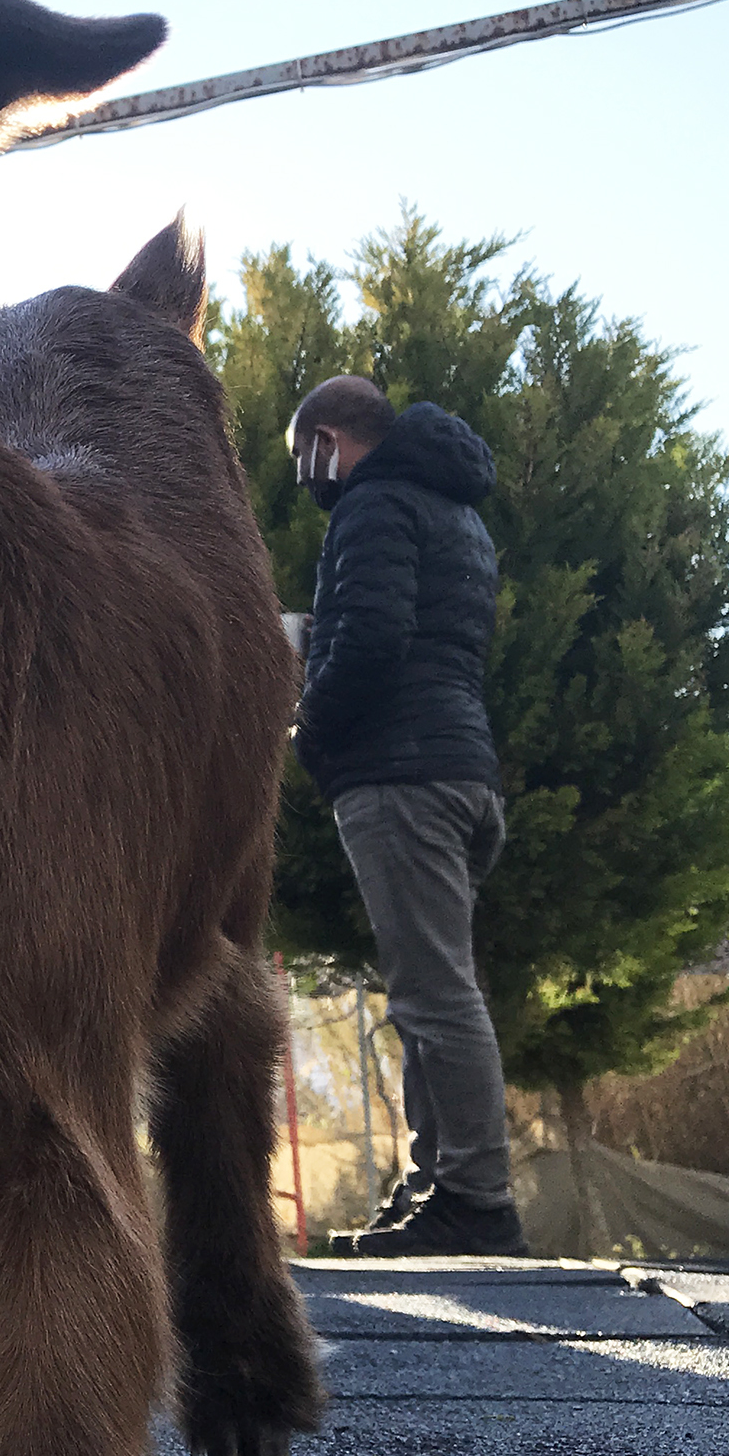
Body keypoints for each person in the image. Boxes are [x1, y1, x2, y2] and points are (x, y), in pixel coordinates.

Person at [289, 375, 529, 1258]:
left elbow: (376, 642)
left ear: (327, 438)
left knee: (435, 994)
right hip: (459, 769)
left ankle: (476, 1196)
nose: (306, 481)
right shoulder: (454, 512)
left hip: (401, 777)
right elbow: (416, 634)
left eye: (302, 459)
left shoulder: (375, 502)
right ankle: (439, 1183)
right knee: (429, 988)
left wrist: (311, 728)